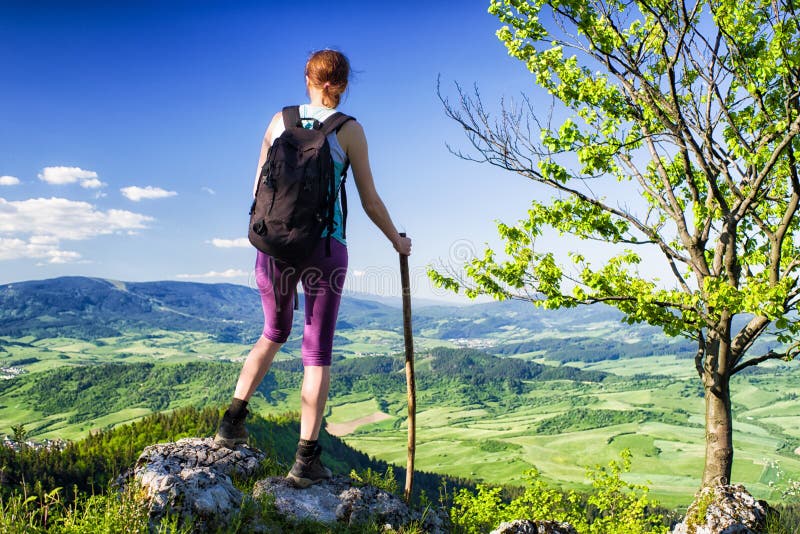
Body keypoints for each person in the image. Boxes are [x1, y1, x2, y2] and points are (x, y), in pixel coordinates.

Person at [214, 49, 412, 488]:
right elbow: (370, 200)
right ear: (342, 83)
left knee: (273, 331)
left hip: (272, 245)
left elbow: (258, 190)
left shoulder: (278, 121)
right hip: (324, 248)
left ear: (308, 78)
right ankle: (305, 460)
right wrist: (397, 241)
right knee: (316, 352)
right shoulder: (349, 130)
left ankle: (231, 422)